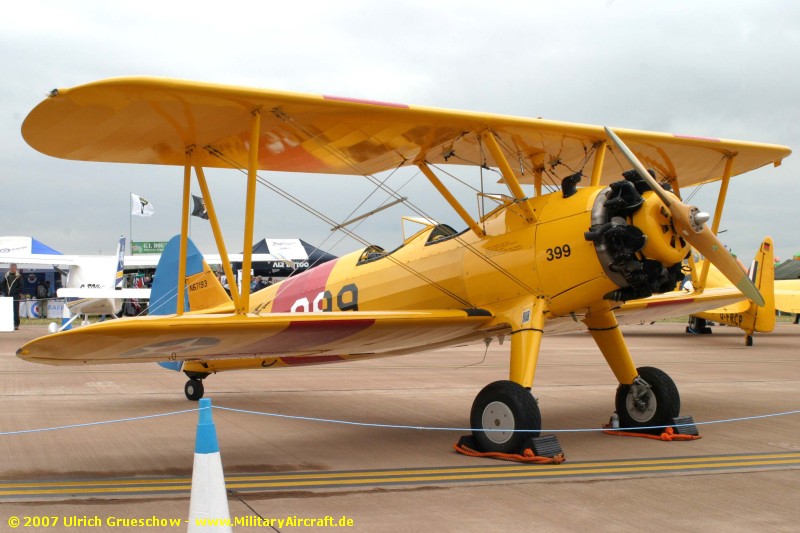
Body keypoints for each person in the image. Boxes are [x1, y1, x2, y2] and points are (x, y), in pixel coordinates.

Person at [2, 264, 23, 330]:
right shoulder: (6, 276)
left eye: (14, 267)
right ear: (9, 268)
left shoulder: (19, 276)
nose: (12, 269)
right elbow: (2, 285)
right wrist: (6, 291)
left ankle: (16, 324)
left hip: (15, 296)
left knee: (15, 311)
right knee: (7, 311)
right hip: (7, 296)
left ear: (16, 268)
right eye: (11, 267)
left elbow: (21, 286)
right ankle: (7, 324)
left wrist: (14, 292)